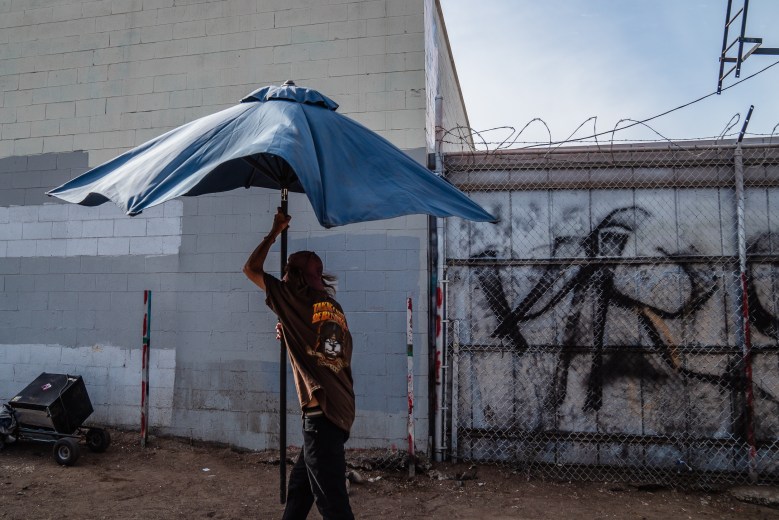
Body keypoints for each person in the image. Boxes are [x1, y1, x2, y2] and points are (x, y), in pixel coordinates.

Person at [243, 208, 356, 520]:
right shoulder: (332, 307)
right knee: (299, 493)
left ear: (297, 277)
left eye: (288, 270)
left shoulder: (293, 297)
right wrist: (294, 335)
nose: (283, 275)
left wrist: (275, 231)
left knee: (333, 506)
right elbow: (331, 353)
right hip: (339, 410)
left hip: (322, 418)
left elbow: (251, 268)